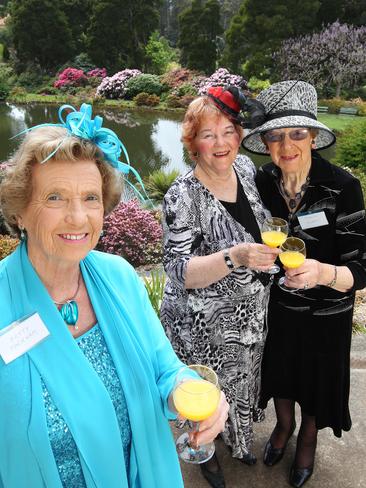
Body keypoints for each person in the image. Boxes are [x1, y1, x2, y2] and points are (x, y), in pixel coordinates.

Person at [0, 104, 229, 488]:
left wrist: (190, 391)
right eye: (55, 198)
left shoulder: (118, 276)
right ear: (20, 211)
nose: (78, 217)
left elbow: (164, 369)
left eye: (91, 198)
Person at [241, 80, 366, 488]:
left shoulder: (343, 187)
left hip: (327, 313)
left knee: (315, 376)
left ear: (313, 136)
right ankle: (284, 426)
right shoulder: (261, 182)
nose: (286, 146)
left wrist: (323, 273)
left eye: (297, 134)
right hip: (277, 307)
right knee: (279, 370)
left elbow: (361, 268)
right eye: (275, 137)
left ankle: (307, 438)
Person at [160, 86, 280, 488]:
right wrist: (235, 257)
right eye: (208, 134)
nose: (221, 143)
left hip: (248, 320)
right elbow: (177, 269)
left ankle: (239, 441)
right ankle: (206, 456)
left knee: (243, 383)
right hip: (204, 325)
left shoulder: (245, 170)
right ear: (192, 142)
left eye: (229, 130)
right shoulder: (183, 195)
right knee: (207, 392)